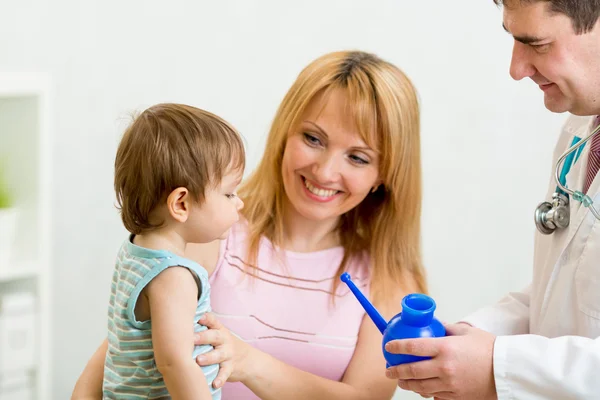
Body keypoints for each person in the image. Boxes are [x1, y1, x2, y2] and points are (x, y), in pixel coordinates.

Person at [71, 50, 427, 400]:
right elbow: (121, 355)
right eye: (313, 139)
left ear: (385, 174)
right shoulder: (210, 233)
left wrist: (250, 363)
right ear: (285, 134)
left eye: (358, 157)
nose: (325, 171)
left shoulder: (390, 280)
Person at [383, 1, 600, 399]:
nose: (516, 69)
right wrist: (467, 339)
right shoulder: (581, 131)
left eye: (537, 44)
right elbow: (565, 295)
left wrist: (498, 366)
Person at [74, 103, 245, 399]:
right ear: (181, 204)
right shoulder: (173, 276)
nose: (239, 202)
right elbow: (175, 362)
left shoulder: (135, 251)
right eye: (229, 193)